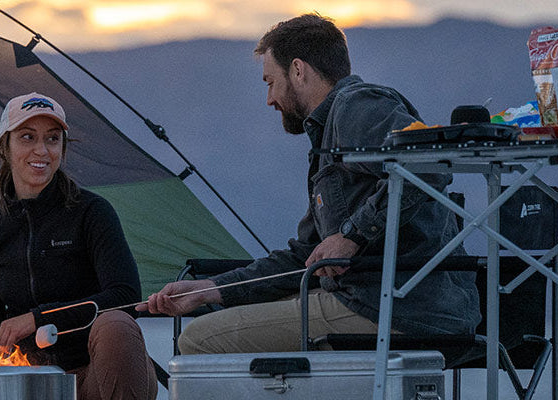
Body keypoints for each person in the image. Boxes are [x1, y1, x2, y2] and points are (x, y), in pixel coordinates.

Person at [139, 14, 481, 355]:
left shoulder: (356, 106)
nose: (269, 98)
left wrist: (352, 235)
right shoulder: (328, 133)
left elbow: (427, 165)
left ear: (298, 70)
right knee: (221, 320)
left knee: (198, 339)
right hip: (377, 301)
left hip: (400, 309)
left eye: (270, 82)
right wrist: (211, 289)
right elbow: (305, 255)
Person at [0, 92, 157, 400]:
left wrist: (38, 318)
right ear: (5, 147)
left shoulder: (91, 212)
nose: (41, 150)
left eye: (53, 139)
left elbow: (125, 297)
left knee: (116, 324)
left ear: (63, 148)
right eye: (27, 137)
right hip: (31, 381)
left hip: (96, 374)